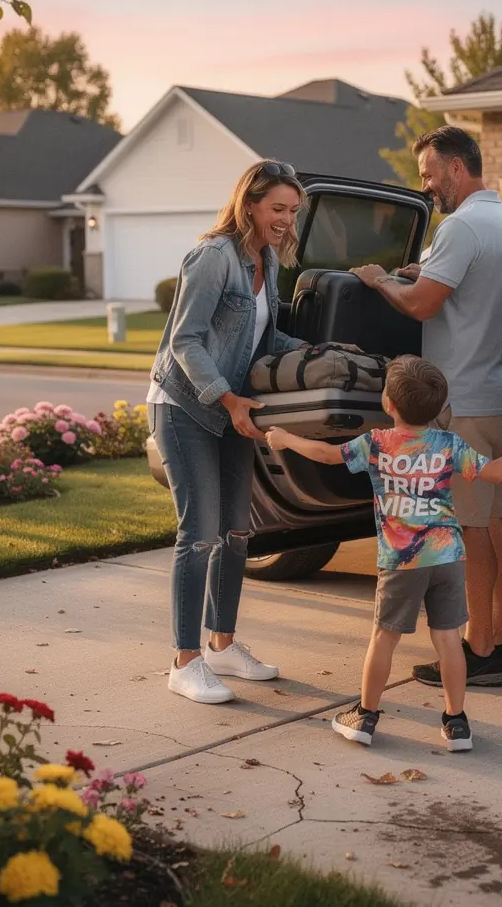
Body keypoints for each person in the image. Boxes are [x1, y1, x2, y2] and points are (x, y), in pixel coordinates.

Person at [266, 356, 502, 751]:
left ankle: (365, 715)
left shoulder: (376, 443)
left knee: (384, 638)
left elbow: (326, 455)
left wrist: (285, 439)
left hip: (401, 561)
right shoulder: (449, 444)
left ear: (388, 403)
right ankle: (457, 722)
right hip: (446, 558)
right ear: (440, 407)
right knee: (447, 639)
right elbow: (494, 472)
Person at [350, 126, 502, 688]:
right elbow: (457, 287)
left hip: (467, 401)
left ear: (456, 167)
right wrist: (420, 274)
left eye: (429, 174)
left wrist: (382, 281)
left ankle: (478, 651)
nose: (427, 186)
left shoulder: (461, 226)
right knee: (497, 520)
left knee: (470, 529)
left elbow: (425, 306)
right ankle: (501, 638)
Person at [147, 160, 308, 705]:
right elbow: (185, 342)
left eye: (292, 211)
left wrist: (316, 353)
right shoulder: (213, 257)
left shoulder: (267, 262)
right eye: (278, 209)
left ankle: (221, 645)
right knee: (200, 536)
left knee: (238, 533)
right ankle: (184, 661)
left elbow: (260, 338)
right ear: (250, 205)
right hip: (185, 408)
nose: (286, 220)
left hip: (233, 411)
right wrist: (229, 397)